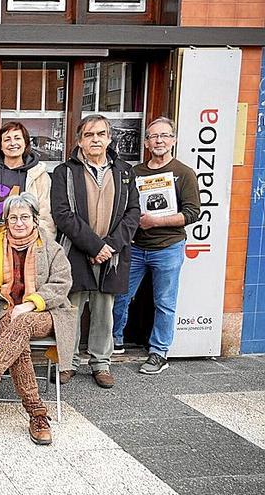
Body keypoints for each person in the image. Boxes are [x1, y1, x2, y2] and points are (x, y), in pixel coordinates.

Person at [0, 193, 75, 445]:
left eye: (25, 217)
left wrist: (29, 304)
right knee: (18, 342)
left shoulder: (51, 247)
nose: (19, 223)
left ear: (35, 219)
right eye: (13, 218)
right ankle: (37, 414)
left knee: (22, 322)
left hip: (47, 313)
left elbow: (61, 285)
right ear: (5, 221)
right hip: (5, 312)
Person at [51, 114, 140, 389]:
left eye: (101, 134)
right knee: (71, 309)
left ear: (109, 138)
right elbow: (62, 214)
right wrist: (94, 245)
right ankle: (67, 362)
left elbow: (133, 212)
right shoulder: (65, 171)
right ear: (79, 140)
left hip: (111, 254)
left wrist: (110, 246)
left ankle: (101, 363)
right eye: (89, 135)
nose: (95, 139)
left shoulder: (124, 172)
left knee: (104, 310)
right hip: (76, 250)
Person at [112, 117, 201, 374]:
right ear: (146, 143)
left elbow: (193, 213)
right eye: (153, 136)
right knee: (121, 295)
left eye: (164, 135)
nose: (159, 141)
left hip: (168, 247)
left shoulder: (183, 173)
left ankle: (159, 352)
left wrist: (157, 221)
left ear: (173, 140)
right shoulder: (135, 172)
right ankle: (115, 341)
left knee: (164, 302)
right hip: (136, 246)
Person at [0, 121, 56, 254]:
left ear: (25, 143)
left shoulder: (38, 175)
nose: (13, 143)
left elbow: (45, 216)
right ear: (0, 146)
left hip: (27, 249)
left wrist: (40, 249)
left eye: (17, 138)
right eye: (7, 139)